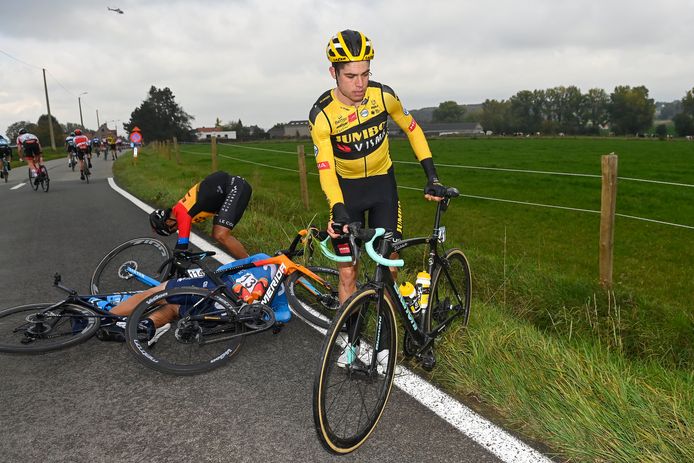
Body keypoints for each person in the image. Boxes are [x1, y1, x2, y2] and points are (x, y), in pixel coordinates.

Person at [309, 30, 446, 305]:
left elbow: (412, 129)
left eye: (365, 74)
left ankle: (388, 336)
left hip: (383, 186)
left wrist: (432, 175)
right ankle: (350, 341)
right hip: (347, 192)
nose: (360, 83)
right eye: (350, 76)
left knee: (389, 263)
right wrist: (338, 208)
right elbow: (325, 168)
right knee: (348, 273)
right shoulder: (322, 115)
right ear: (333, 73)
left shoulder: (383, 96)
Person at [103, 252, 291, 342]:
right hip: (221, 312)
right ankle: (145, 325)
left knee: (158, 293)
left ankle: (106, 318)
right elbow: (284, 315)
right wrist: (261, 315)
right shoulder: (280, 295)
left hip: (213, 287)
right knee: (173, 310)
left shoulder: (264, 259)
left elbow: (228, 268)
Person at [149, 171, 252, 259]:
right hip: (227, 190)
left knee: (220, 234)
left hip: (234, 187)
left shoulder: (182, 212)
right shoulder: (180, 209)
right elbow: (182, 240)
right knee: (217, 234)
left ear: (168, 222)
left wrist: (179, 253)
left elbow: (183, 241)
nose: (178, 229)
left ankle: (254, 265)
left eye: (173, 229)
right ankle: (249, 262)